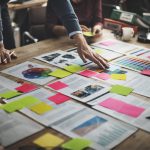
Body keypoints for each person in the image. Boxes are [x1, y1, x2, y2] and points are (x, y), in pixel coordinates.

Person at [47, 0, 109, 69]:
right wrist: (76, 32)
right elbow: (50, 27)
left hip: (88, 41)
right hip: (60, 43)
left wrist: (97, 27)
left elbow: (98, 20)